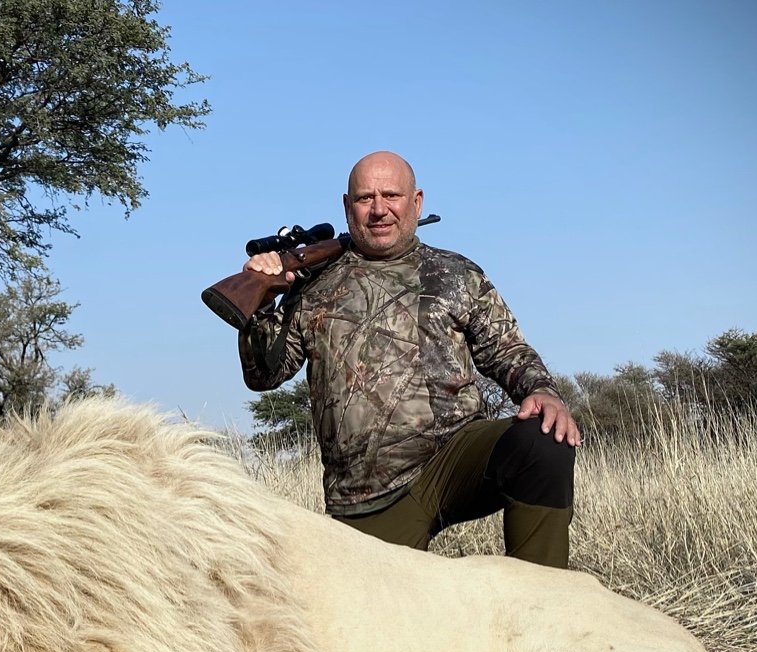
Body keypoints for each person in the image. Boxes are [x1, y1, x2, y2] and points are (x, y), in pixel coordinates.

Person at [236, 150, 580, 567]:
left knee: (542, 442)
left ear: (416, 202)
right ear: (347, 207)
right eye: (365, 198)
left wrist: (542, 390)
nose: (379, 210)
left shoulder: (455, 273)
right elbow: (265, 374)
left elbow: (507, 349)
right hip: (365, 495)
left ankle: (542, 605)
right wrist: (261, 300)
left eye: (391, 196)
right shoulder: (311, 286)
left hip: (454, 458)